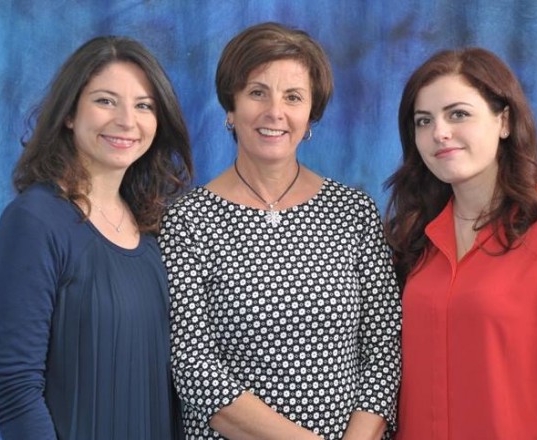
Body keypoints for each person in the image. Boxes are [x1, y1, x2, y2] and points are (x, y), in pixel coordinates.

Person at [158, 22, 401, 440]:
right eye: (257, 92)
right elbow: (193, 366)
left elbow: (383, 350)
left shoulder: (354, 213)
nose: (275, 112)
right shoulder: (187, 221)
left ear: (310, 116)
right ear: (230, 108)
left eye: (293, 97)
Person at [385, 47, 537, 439]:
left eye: (458, 114)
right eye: (423, 120)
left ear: (504, 121)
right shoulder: (414, 237)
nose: (439, 132)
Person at [0, 36, 193, 440]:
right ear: (69, 113)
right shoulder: (34, 222)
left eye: (144, 105)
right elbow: (13, 388)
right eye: (105, 101)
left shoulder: (152, 229)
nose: (127, 121)